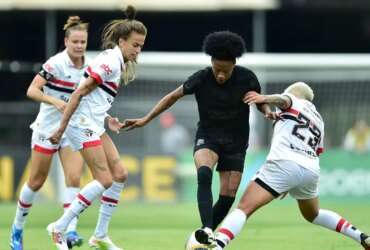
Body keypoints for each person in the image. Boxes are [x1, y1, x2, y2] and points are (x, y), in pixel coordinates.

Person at [121, 31, 276, 247]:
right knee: (204, 172)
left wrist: (267, 110)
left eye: (225, 70)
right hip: (208, 136)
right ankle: (205, 229)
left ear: (234, 65)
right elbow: (172, 97)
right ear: (211, 63)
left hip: (236, 141)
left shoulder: (247, 78)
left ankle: (203, 236)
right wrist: (146, 119)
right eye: (217, 69)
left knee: (228, 194)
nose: (220, 75)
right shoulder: (202, 77)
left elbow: (258, 100)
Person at [213, 82, 370, 250]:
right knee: (313, 214)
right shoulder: (319, 120)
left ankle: (217, 246)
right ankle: (362, 236)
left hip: (284, 162)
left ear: (294, 94)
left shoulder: (294, 100)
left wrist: (263, 98)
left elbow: (283, 100)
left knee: (243, 208)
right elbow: (318, 150)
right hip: (310, 169)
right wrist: (290, 181)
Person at [47, 5, 147, 250]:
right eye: (135, 45)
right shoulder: (110, 62)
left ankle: (99, 235)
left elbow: (94, 99)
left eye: (141, 45)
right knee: (103, 179)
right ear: (122, 41)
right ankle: (59, 227)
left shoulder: (117, 61)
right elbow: (79, 92)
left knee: (120, 174)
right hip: (80, 124)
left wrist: (107, 117)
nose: (138, 50)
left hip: (93, 122)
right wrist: (61, 128)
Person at [10, 16, 89, 250]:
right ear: (66, 41)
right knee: (36, 181)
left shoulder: (89, 66)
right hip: (47, 128)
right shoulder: (55, 64)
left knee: (74, 177)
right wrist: (53, 100)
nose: (79, 46)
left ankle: (69, 230)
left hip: (71, 128)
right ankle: (17, 228)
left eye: (83, 42)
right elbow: (32, 90)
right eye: (75, 41)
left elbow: (90, 98)